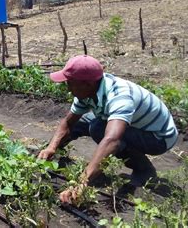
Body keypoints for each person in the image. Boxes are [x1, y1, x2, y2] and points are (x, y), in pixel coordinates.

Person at [37, 55, 178, 205]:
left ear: (88, 84)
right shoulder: (88, 91)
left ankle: (144, 170)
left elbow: (112, 140)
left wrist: (82, 183)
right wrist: (51, 147)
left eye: (70, 83)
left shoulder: (120, 95)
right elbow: (68, 122)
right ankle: (51, 157)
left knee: (98, 128)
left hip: (158, 137)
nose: (67, 87)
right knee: (82, 123)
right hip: (136, 125)